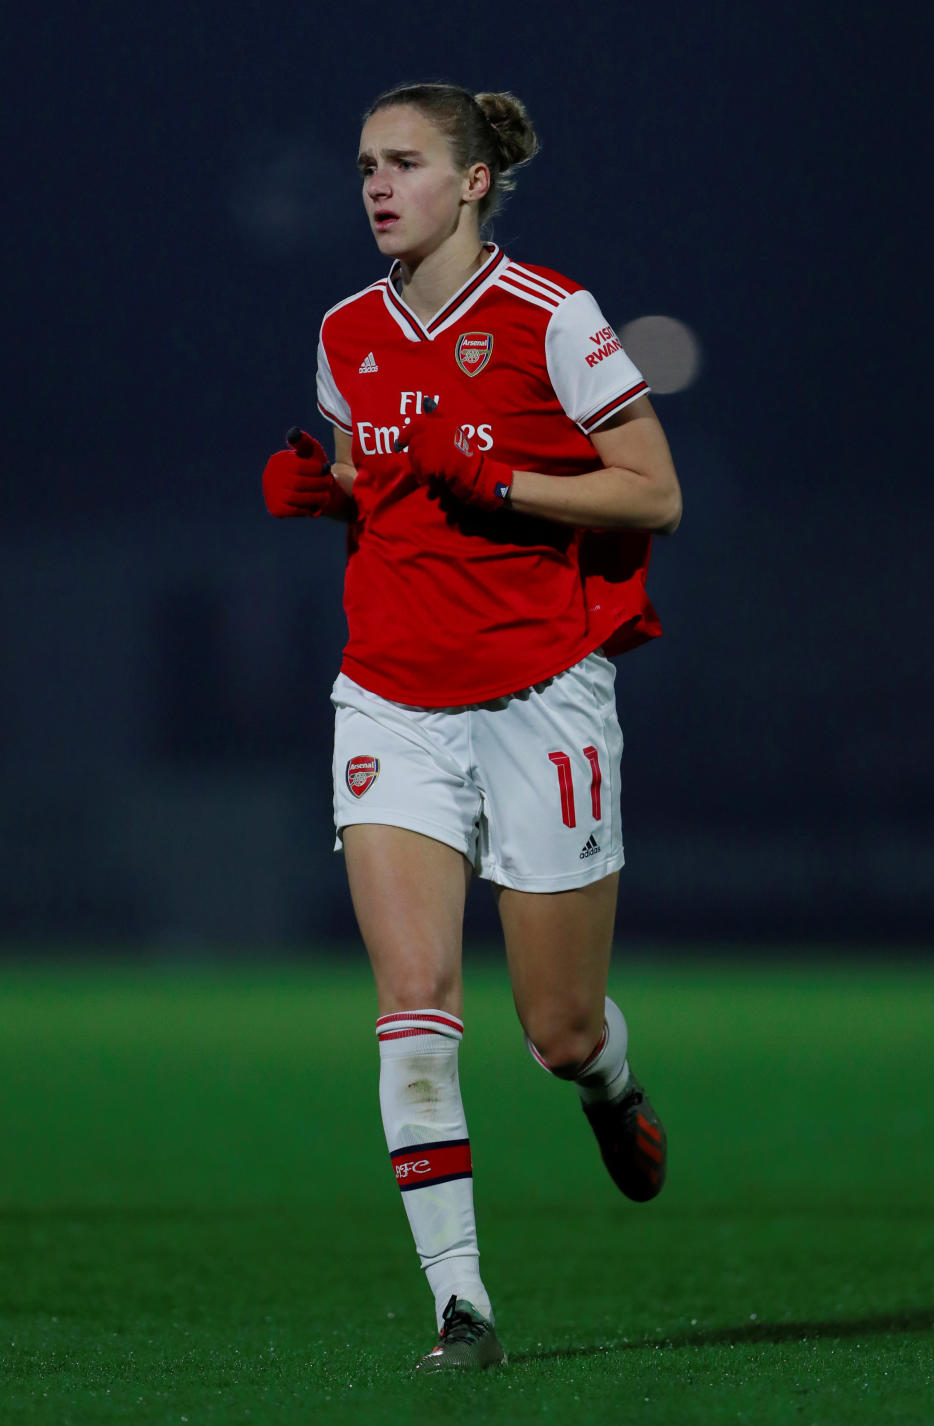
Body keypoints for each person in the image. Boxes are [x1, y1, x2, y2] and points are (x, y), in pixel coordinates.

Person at [261, 81, 682, 1373]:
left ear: (473, 180)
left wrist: (505, 478)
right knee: (415, 1001)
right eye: (365, 166)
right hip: (390, 695)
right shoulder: (345, 330)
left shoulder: (551, 317)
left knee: (554, 1024)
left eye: (404, 163)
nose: (378, 186)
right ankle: (463, 1305)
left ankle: (609, 1080)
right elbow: (387, 489)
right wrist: (329, 494)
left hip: (540, 690)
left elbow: (654, 493)